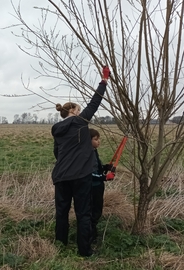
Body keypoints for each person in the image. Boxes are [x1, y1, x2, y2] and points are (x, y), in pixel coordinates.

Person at [51, 66, 110, 257]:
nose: (83, 112)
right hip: (80, 176)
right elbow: (95, 103)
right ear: (75, 112)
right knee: (83, 213)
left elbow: (57, 153)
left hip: (61, 175)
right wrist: (104, 81)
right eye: (79, 109)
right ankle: (84, 251)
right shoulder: (79, 122)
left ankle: (60, 244)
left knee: (62, 211)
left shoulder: (56, 129)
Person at [89, 128, 112, 244]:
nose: (99, 141)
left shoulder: (93, 151)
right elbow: (90, 174)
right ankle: (91, 236)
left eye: (99, 139)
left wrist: (105, 167)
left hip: (98, 185)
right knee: (94, 211)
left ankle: (92, 233)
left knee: (97, 210)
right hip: (93, 187)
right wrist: (104, 177)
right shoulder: (88, 153)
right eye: (95, 139)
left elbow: (97, 168)